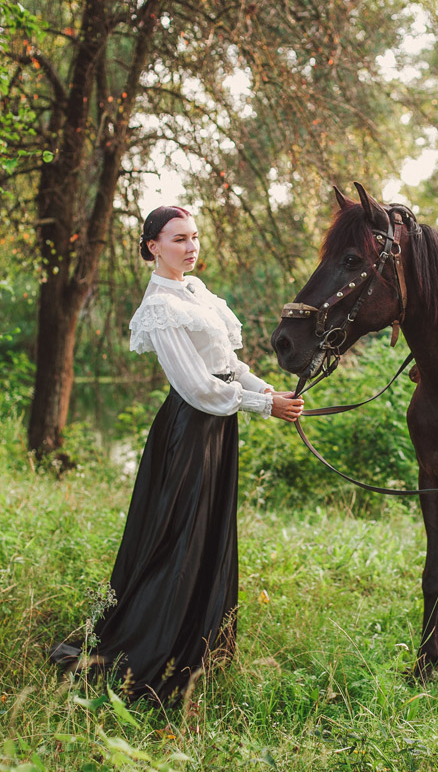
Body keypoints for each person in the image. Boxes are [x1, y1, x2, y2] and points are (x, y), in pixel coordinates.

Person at [50, 205, 303, 703]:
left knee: (209, 531)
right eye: (179, 239)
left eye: (194, 238)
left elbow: (228, 366)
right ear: (153, 247)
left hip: (219, 425)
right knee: (179, 537)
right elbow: (194, 386)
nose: (191, 248)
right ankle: (155, 650)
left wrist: (271, 393)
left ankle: (200, 644)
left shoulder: (197, 293)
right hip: (191, 429)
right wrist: (260, 405)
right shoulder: (160, 307)